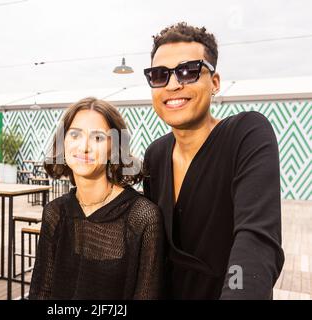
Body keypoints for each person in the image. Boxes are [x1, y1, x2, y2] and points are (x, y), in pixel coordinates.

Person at [142, 22, 284, 299]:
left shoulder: (247, 134)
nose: (172, 84)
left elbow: (256, 241)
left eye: (188, 71)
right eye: (159, 75)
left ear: (215, 82)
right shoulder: (155, 155)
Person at [29, 97, 164, 300]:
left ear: (114, 147)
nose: (84, 147)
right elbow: (42, 292)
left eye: (98, 138)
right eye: (74, 135)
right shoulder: (54, 212)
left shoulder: (143, 217)